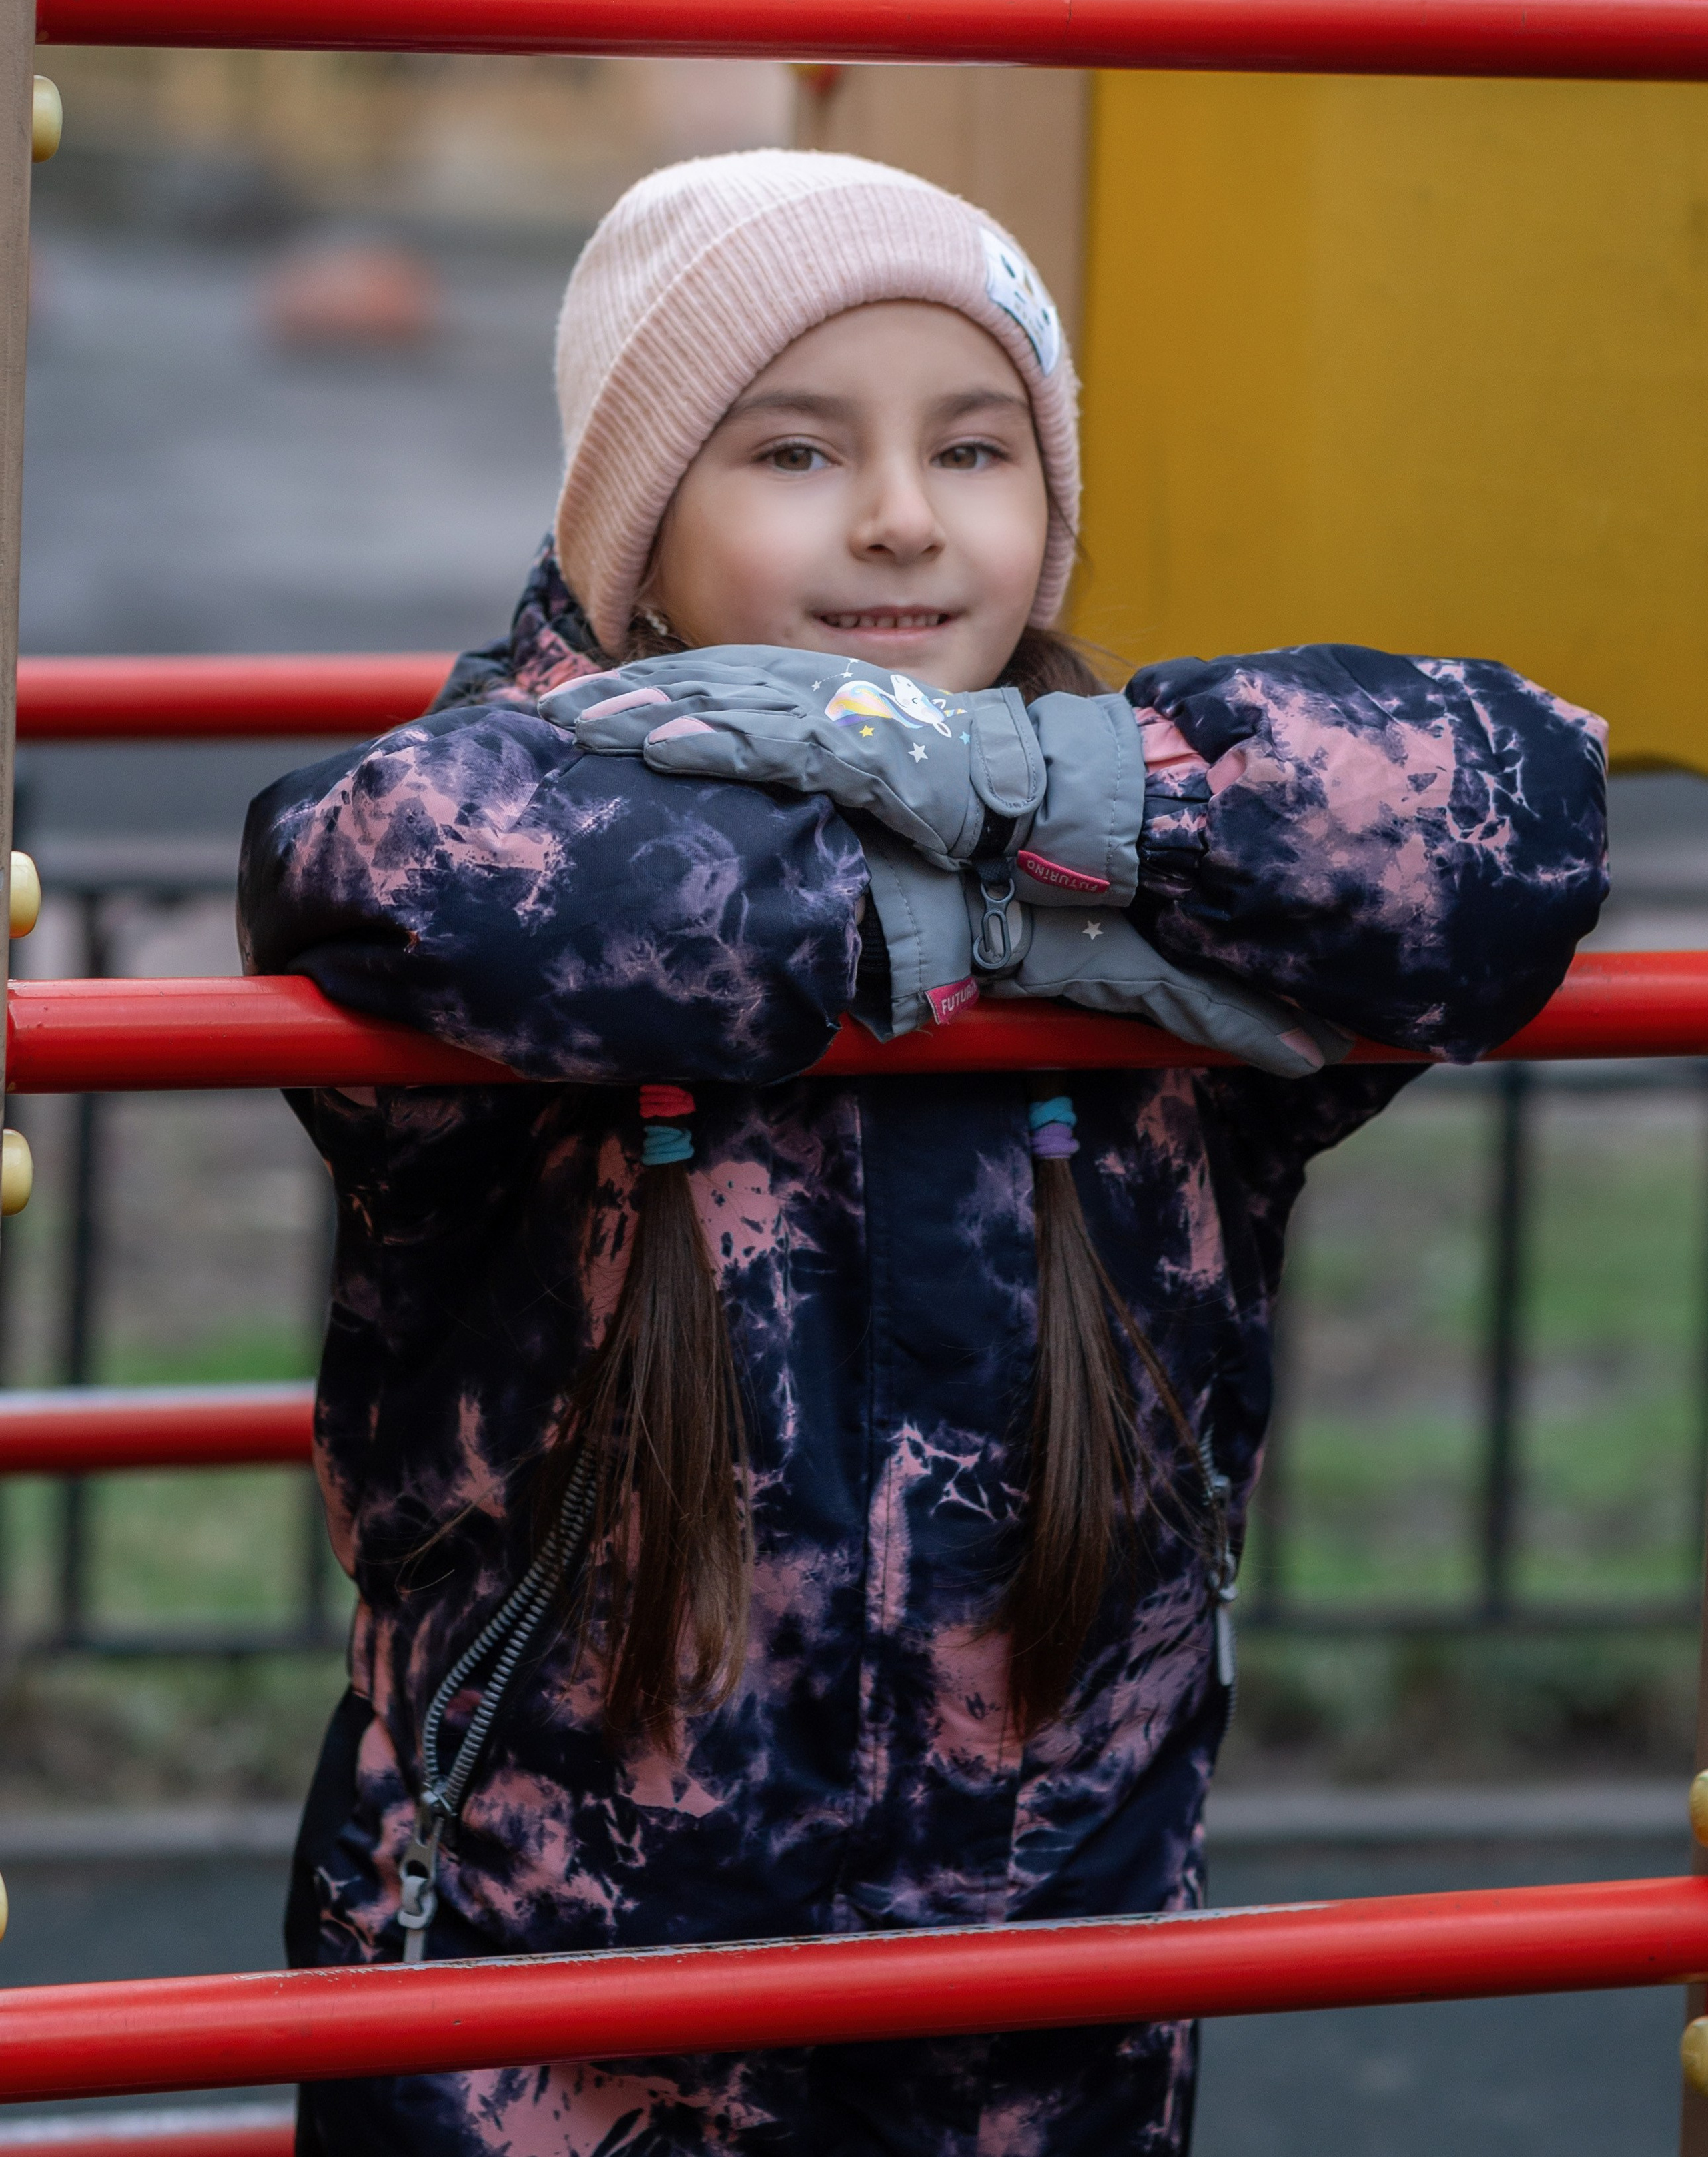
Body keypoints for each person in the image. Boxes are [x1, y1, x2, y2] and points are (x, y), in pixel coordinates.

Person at [240, 149, 1609, 2157]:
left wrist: (1049, 801)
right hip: (561, 2003)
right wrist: (953, 923)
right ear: (636, 522)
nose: (900, 516)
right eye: (794, 451)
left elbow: (1515, 818)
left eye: (975, 449)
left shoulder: (1160, 877)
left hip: (1038, 2002)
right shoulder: (533, 841)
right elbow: (385, 864)